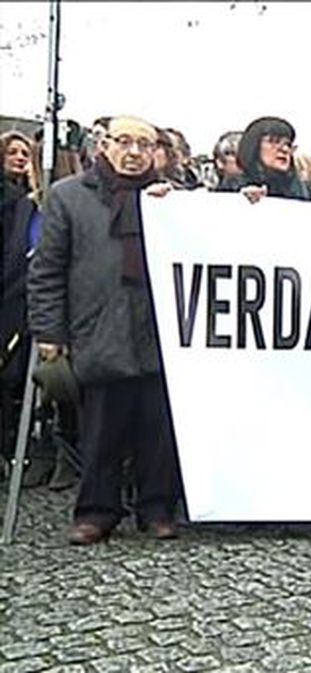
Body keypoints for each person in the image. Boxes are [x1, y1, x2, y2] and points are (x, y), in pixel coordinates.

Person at [27, 115, 181, 544]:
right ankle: (96, 510)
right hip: (96, 329)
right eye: (124, 142)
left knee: (157, 428)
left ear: (156, 153)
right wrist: (49, 332)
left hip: (158, 331)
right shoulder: (68, 197)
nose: (134, 153)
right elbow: (47, 271)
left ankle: (156, 508)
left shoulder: (170, 201)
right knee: (100, 430)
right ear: (104, 145)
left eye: (144, 145)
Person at [1, 133, 43, 477]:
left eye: (24, 153)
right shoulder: (12, 202)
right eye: (12, 152)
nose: (18, 157)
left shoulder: (29, 202)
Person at [216, 116, 311, 203]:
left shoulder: (307, 191)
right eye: (274, 141)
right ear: (254, 146)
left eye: (288, 144)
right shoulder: (232, 186)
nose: (284, 149)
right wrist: (240, 200)